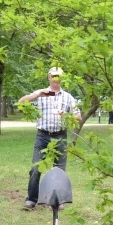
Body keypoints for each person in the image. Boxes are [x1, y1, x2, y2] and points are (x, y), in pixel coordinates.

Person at [18, 67, 82, 211]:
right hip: (42, 136)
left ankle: (58, 201)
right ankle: (31, 200)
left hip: (60, 137)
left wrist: (66, 115)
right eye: (53, 76)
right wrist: (38, 94)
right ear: (49, 77)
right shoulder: (40, 94)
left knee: (59, 170)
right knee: (35, 168)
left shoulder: (68, 97)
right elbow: (21, 102)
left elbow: (78, 117)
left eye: (59, 77)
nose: (56, 79)